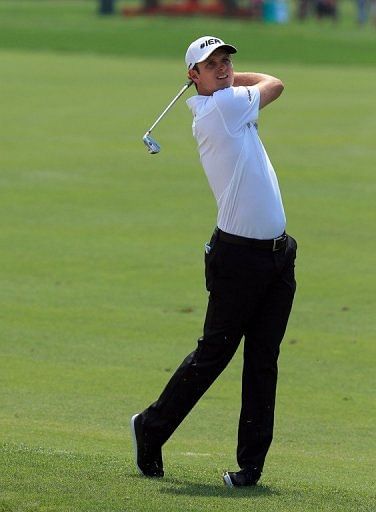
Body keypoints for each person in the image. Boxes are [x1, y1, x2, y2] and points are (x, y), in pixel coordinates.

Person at [131, 36, 297, 487]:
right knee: (214, 356)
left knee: (263, 361)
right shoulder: (222, 109)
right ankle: (151, 426)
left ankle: (251, 468)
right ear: (193, 76)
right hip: (239, 258)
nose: (223, 68)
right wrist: (229, 84)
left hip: (279, 255)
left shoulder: (223, 102)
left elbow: (260, 86)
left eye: (226, 61)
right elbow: (276, 83)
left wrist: (219, 81)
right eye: (211, 64)